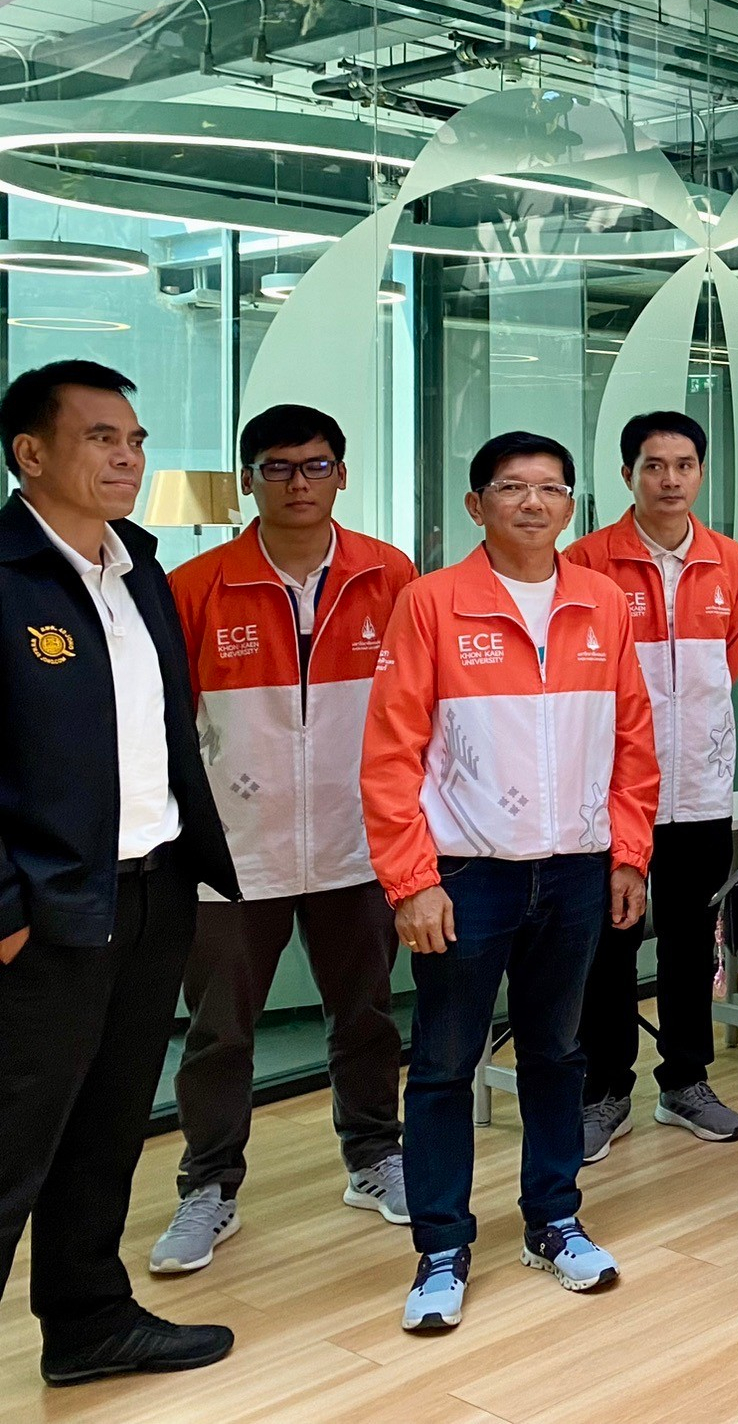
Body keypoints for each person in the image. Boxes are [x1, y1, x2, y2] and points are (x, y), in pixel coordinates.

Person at [362, 431, 658, 1333]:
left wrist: (628, 853)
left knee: (558, 1055)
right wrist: (411, 881)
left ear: (572, 504)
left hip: (575, 868)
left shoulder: (602, 603)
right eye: (511, 487)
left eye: (550, 489)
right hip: (467, 874)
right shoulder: (431, 603)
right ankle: (441, 1246)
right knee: (445, 1063)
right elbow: (390, 754)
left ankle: (553, 1220)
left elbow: (633, 740)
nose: (533, 503)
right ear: (476, 504)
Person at [0, 360, 240, 1385]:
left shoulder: (136, 561)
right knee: (11, 1145)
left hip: (150, 888)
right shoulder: (7, 572)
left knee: (107, 1127)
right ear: (31, 452)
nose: (128, 456)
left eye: (135, 439)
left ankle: (87, 1321)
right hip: (43, 911)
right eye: (101, 437)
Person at [152, 404, 417, 1278]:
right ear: (248, 480)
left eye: (315, 466)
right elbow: (167, 727)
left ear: (342, 474)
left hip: (356, 839)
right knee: (220, 1033)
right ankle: (208, 1186)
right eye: (278, 467)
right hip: (235, 851)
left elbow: (416, 709)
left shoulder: (389, 574)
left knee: (366, 1015)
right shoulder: (197, 586)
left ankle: (375, 1157)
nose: (298, 483)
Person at [570, 411, 738, 1161]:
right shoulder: (587, 561)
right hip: (611, 789)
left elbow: (728, 660)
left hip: (701, 789)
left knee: (689, 938)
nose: (670, 479)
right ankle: (605, 1090)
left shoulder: (729, 562)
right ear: (627, 475)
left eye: (684, 465)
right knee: (608, 943)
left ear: (701, 474)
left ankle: (685, 1081)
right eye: (654, 466)